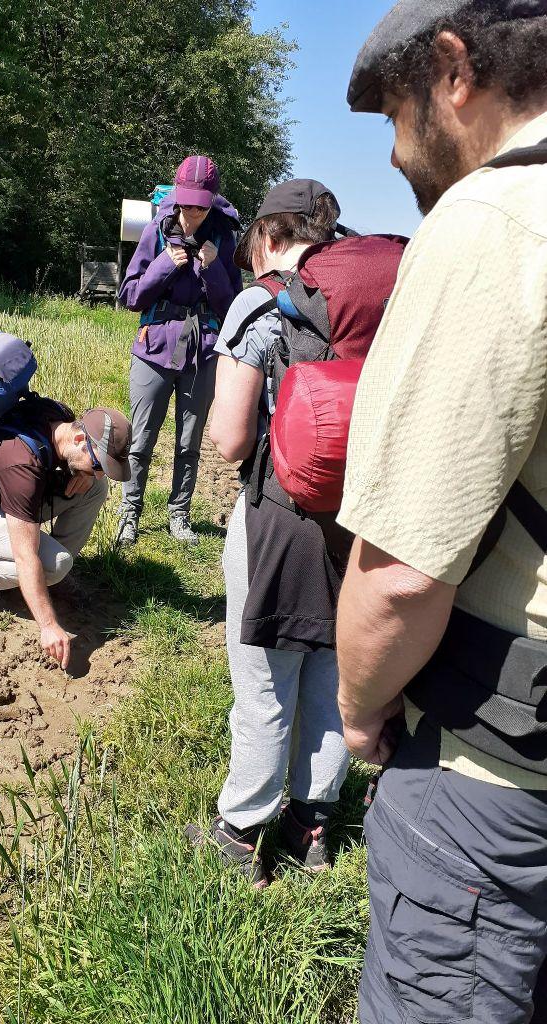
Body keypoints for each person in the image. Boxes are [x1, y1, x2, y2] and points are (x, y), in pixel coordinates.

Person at [338, 3, 547, 1022]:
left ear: (452, 72)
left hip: (493, 778)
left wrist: (355, 705)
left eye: (390, 112)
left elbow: (397, 574)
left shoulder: (491, 225)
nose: (388, 150)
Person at [186, 180, 352, 887]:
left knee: (263, 686)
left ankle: (239, 831)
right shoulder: (363, 305)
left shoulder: (260, 302)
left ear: (266, 235)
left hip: (278, 519)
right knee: (333, 679)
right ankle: (312, 827)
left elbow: (226, 439)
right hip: (359, 523)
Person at [0, 402, 132, 670]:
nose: (99, 472)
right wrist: (49, 625)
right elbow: (25, 554)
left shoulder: (61, 420)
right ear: (79, 439)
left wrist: (89, 476)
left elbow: (72, 473)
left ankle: (48, 581)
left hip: (4, 500)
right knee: (55, 563)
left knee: (95, 489)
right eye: (98, 464)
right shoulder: (23, 466)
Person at [116, 155, 242, 548]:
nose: (191, 213)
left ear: (211, 202)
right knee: (140, 439)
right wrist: (162, 266)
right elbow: (130, 296)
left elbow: (233, 307)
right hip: (154, 349)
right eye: (186, 204)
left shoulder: (223, 238)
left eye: (200, 206)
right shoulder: (157, 228)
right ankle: (129, 516)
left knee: (190, 442)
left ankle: (179, 516)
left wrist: (214, 267)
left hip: (202, 350)